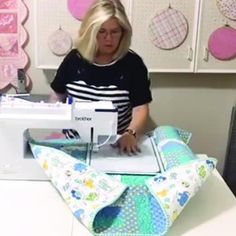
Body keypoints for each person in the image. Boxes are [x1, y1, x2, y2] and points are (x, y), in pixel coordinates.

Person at [49, 0, 152, 155]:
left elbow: (140, 109)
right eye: (101, 31)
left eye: (115, 31)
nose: (108, 38)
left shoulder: (133, 64)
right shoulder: (73, 59)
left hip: (117, 144)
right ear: (90, 31)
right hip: (73, 143)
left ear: (123, 32)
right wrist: (57, 129)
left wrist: (130, 134)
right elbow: (57, 97)